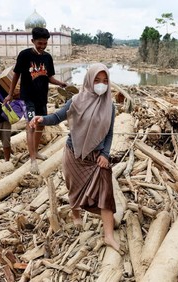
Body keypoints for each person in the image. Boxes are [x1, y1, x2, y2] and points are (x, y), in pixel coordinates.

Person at [29, 63, 122, 254]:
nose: (101, 84)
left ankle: (108, 235)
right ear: (89, 80)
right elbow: (57, 117)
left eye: (105, 81)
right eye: (97, 80)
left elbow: (110, 134)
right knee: (74, 189)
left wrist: (105, 154)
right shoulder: (76, 100)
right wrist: (41, 119)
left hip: (97, 158)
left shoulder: (109, 105)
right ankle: (75, 213)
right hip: (74, 153)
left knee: (106, 195)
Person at [4, 27, 67, 173]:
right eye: (39, 43)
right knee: (31, 126)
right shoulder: (25, 55)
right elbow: (16, 75)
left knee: (41, 125)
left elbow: (49, 76)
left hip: (41, 98)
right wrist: (10, 94)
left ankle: (36, 152)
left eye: (45, 44)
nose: (42, 46)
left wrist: (60, 83)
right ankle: (32, 159)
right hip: (28, 98)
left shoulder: (47, 57)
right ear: (32, 41)